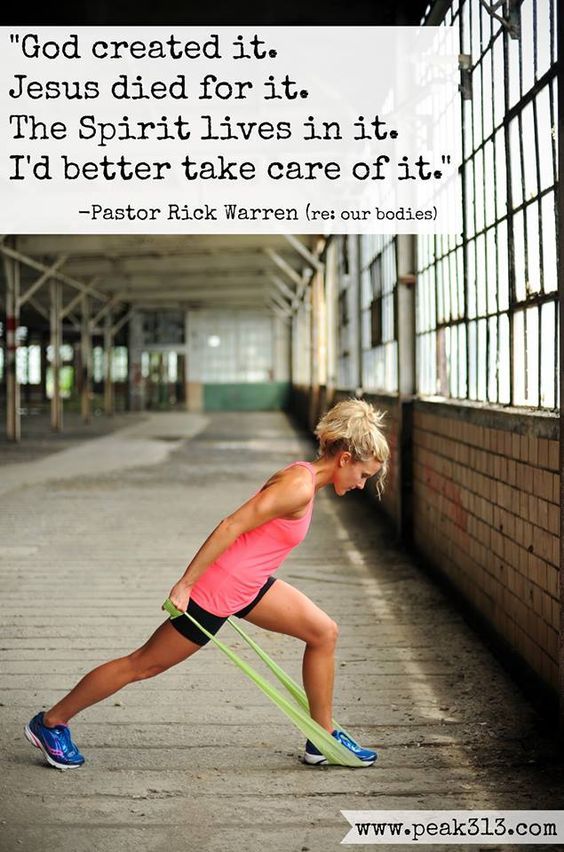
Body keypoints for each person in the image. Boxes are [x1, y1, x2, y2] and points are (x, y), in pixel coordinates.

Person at [25, 398, 389, 770]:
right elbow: (231, 525)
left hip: (250, 586)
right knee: (143, 665)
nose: (362, 485)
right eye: (363, 475)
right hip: (218, 590)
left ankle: (322, 736)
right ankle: (51, 722)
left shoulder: (305, 481)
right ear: (345, 459)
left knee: (323, 632)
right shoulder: (298, 485)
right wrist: (186, 584)